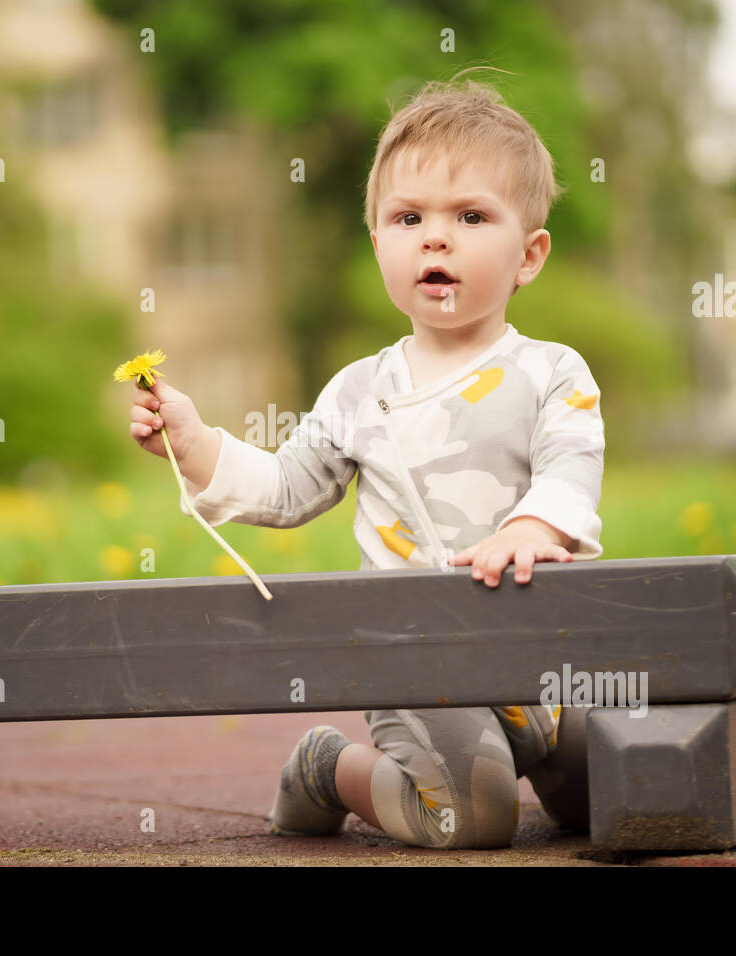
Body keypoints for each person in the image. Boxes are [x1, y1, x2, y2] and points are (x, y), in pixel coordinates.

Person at [126, 72, 604, 849]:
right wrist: (196, 441)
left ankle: (537, 756)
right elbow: (286, 487)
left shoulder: (553, 372)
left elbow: (572, 462)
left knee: (617, 787)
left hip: (542, 653)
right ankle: (329, 768)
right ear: (379, 241)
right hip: (417, 658)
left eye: (471, 216)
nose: (435, 238)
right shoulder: (360, 392)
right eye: (408, 217)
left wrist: (536, 522)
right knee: (470, 820)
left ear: (530, 254)